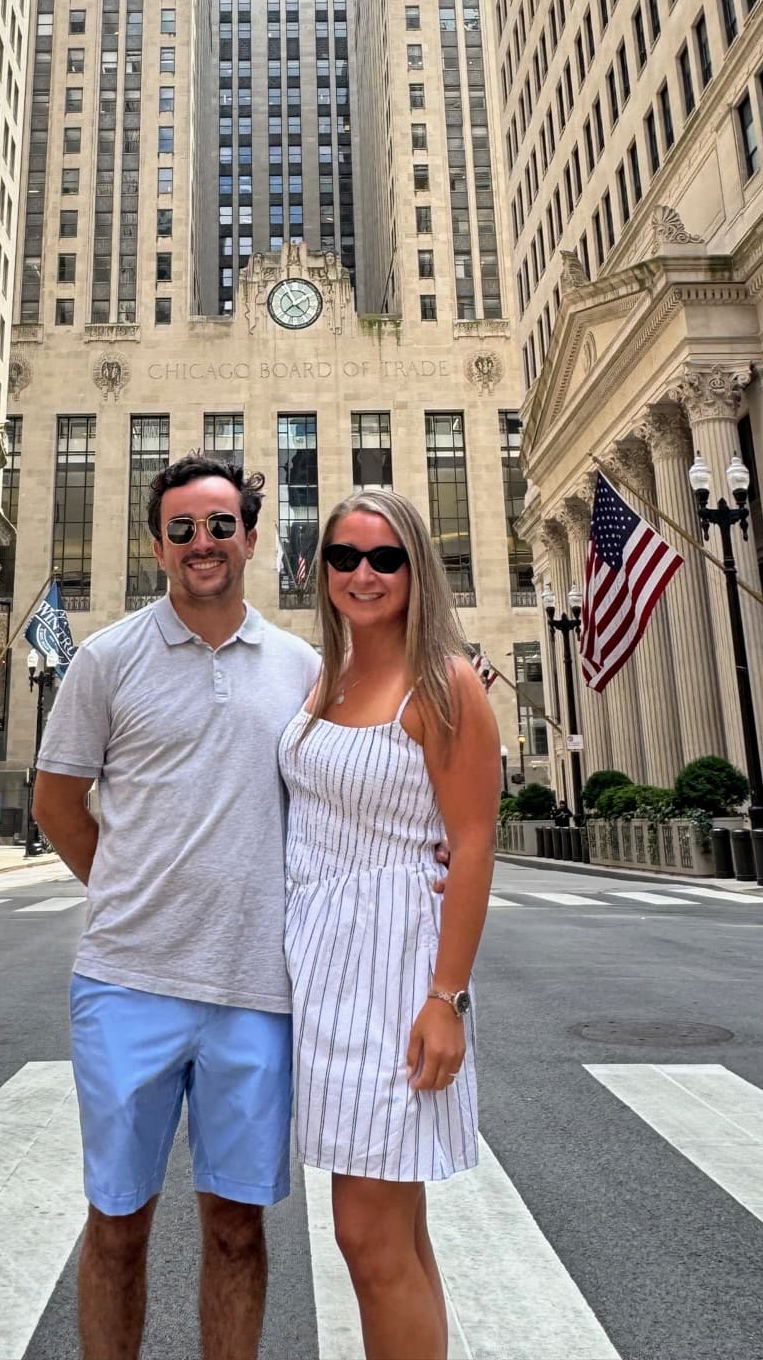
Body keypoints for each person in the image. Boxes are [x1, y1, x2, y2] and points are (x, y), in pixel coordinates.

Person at [32, 453, 320, 1360]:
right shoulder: (107, 660)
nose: (204, 543)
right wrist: (126, 887)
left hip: (255, 990)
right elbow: (55, 801)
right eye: (184, 529)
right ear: (159, 545)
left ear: (250, 535)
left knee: (238, 1225)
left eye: (220, 525)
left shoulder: (304, 667)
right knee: (117, 1221)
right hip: (128, 983)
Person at [279, 490, 497, 1360]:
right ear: (321, 569)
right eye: (344, 557)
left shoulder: (444, 683)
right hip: (321, 970)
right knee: (395, 1236)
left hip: (395, 974)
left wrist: (447, 997)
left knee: (368, 1238)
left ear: (415, 570)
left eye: (384, 558)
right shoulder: (321, 679)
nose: (362, 574)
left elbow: (474, 843)